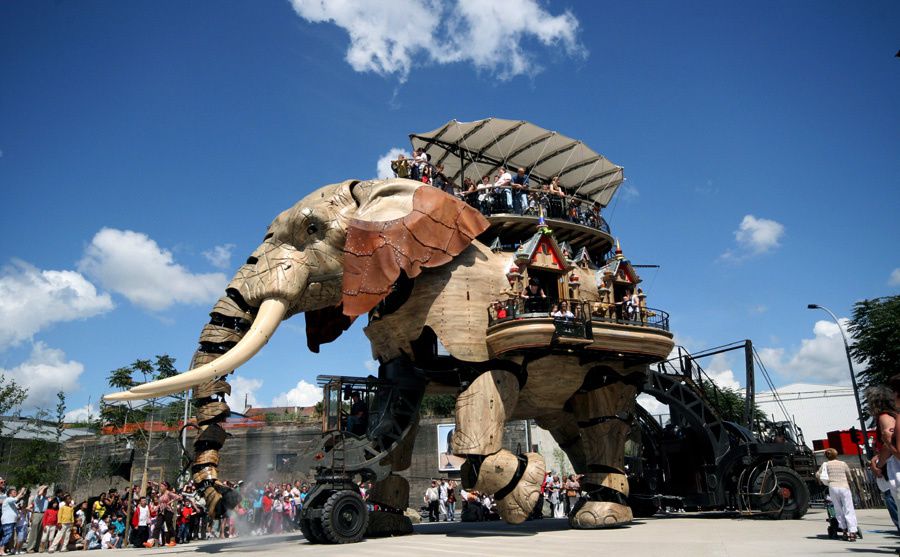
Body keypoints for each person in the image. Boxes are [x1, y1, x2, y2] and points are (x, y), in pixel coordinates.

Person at [866, 384, 900, 532]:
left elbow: (889, 440)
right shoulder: (893, 415)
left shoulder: (884, 417)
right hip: (891, 461)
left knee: (894, 500)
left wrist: (880, 463)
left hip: (893, 464)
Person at [817, 448, 859, 541]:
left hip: (833, 487)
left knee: (838, 509)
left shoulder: (825, 465)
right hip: (844, 487)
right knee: (849, 509)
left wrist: (823, 480)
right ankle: (852, 532)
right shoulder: (843, 464)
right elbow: (849, 476)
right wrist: (849, 480)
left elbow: (818, 474)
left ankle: (844, 531)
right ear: (836, 455)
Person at [1, 486, 26, 557]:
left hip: (11, 521)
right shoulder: (8, 499)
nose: (15, 493)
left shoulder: (12, 501)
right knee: (7, 535)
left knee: (8, 535)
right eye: (14, 492)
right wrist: (21, 491)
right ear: (9, 494)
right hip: (7, 520)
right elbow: (16, 499)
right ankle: (1, 550)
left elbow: (19, 499)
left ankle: (2, 550)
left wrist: (22, 492)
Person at [25, 485, 48, 552]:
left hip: (44, 514)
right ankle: (30, 548)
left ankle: (36, 547)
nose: (45, 491)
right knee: (34, 531)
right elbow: (39, 494)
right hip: (37, 514)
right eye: (44, 490)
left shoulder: (46, 498)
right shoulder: (37, 497)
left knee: (40, 531)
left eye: (46, 490)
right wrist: (42, 488)